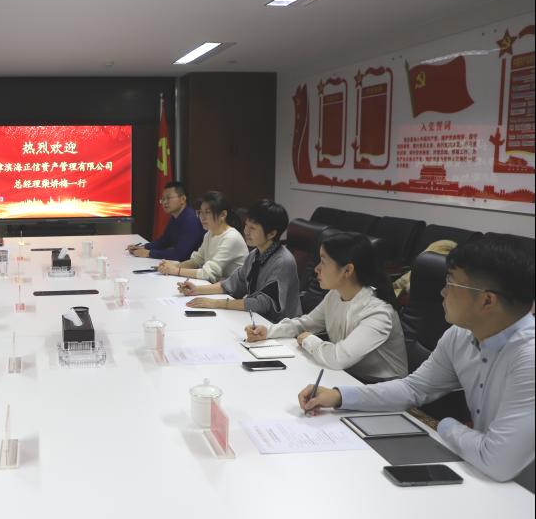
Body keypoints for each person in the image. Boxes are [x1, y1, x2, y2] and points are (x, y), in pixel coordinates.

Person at [299, 235, 534, 482]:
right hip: (479, 470)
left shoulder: (528, 357)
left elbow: (496, 461)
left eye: (451, 284)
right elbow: (413, 389)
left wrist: (444, 425)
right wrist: (339, 396)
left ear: (487, 300)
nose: (442, 292)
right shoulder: (460, 335)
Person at [247, 231, 407, 383]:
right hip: (346, 375)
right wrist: (269, 331)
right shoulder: (335, 294)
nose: (316, 268)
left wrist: (308, 339)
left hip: (379, 386)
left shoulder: (378, 312)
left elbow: (339, 358)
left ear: (347, 270)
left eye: (323, 262)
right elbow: (305, 324)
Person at [180, 199, 301, 322]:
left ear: (271, 234)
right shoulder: (254, 255)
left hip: (279, 325)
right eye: (246, 225)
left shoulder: (283, 261)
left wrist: (216, 303)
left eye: (252, 228)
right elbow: (232, 284)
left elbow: (263, 304)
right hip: (255, 319)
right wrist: (197, 290)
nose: (246, 231)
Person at [155, 191, 248, 283]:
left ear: (223, 215)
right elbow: (197, 261)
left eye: (207, 212)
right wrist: (172, 266)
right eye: (200, 212)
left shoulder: (231, 238)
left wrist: (175, 270)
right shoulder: (210, 233)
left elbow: (208, 273)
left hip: (232, 291)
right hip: (216, 286)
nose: (202, 217)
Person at [126, 181, 203, 261]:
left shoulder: (191, 220)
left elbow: (179, 254)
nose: (164, 202)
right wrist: (143, 247)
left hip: (195, 266)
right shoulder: (175, 217)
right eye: (163, 199)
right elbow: (164, 241)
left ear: (182, 199)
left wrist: (149, 253)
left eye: (168, 198)